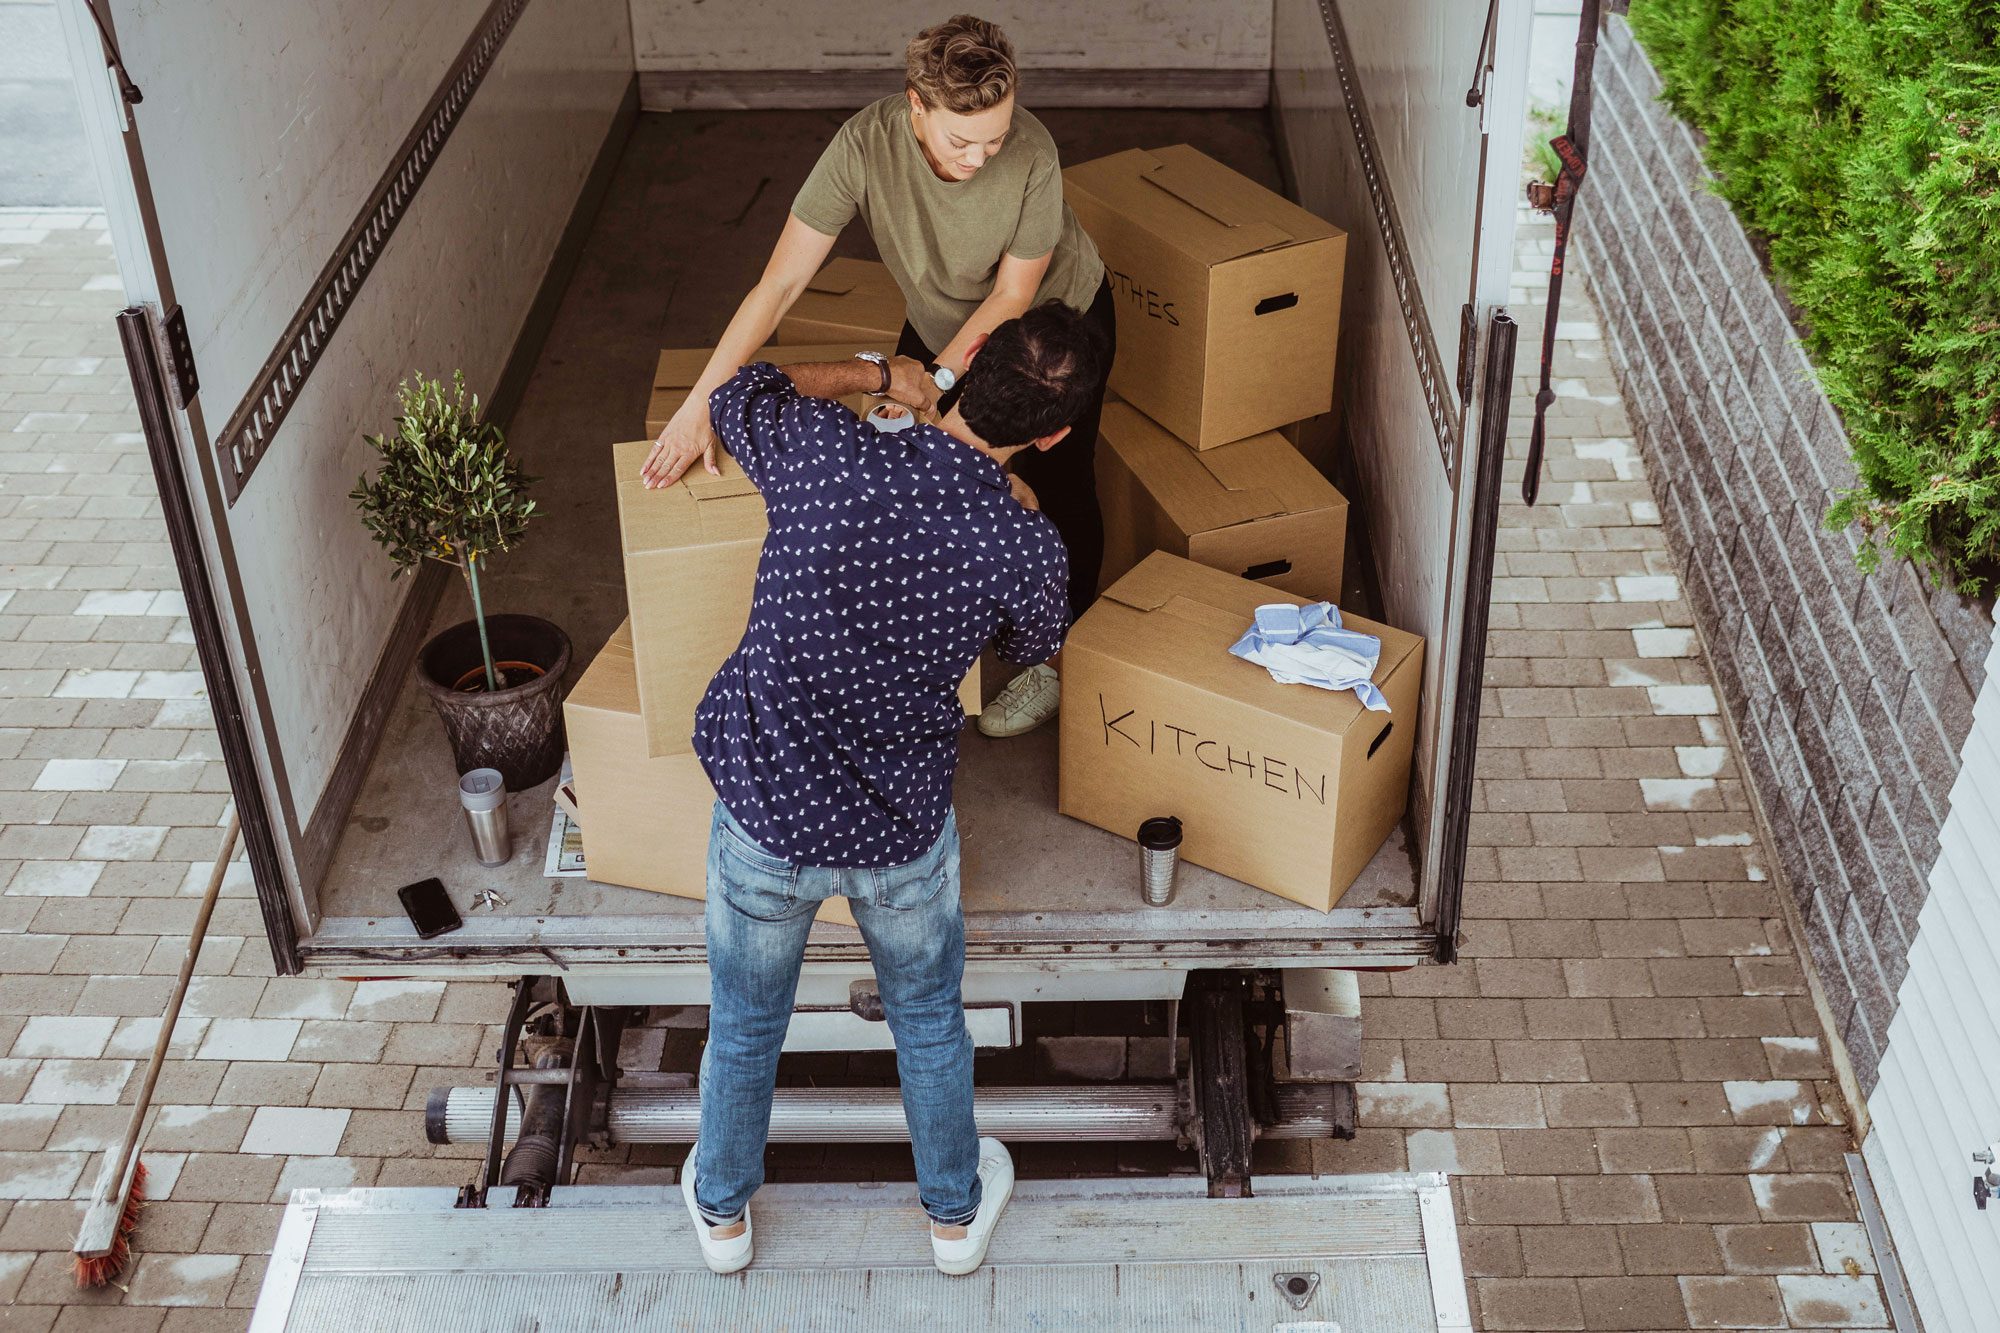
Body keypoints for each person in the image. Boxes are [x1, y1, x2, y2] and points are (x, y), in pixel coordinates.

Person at [680, 302, 1103, 1276]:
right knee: (925, 1020)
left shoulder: (824, 455)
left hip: (766, 808)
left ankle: (722, 1216)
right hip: (899, 830)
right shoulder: (1021, 545)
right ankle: (953, 1220)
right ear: (1053, 433)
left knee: (744, 1022)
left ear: (972, 360)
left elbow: (744, 388)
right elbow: (1032, 646)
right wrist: (1017, 515)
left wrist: (879, 377)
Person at [640, 13, 1112, 739]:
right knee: (906, 467)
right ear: (915, 105)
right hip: (935, 326)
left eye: (996, 137)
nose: (983, 157)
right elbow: (778, 287)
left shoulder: (1033, 153)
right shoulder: (863, 145)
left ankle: (1055, 659)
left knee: (1062, 486)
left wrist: (932, 385)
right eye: (963, 141)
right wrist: (700, 403)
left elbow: (1012, 298)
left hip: (1048, 330)